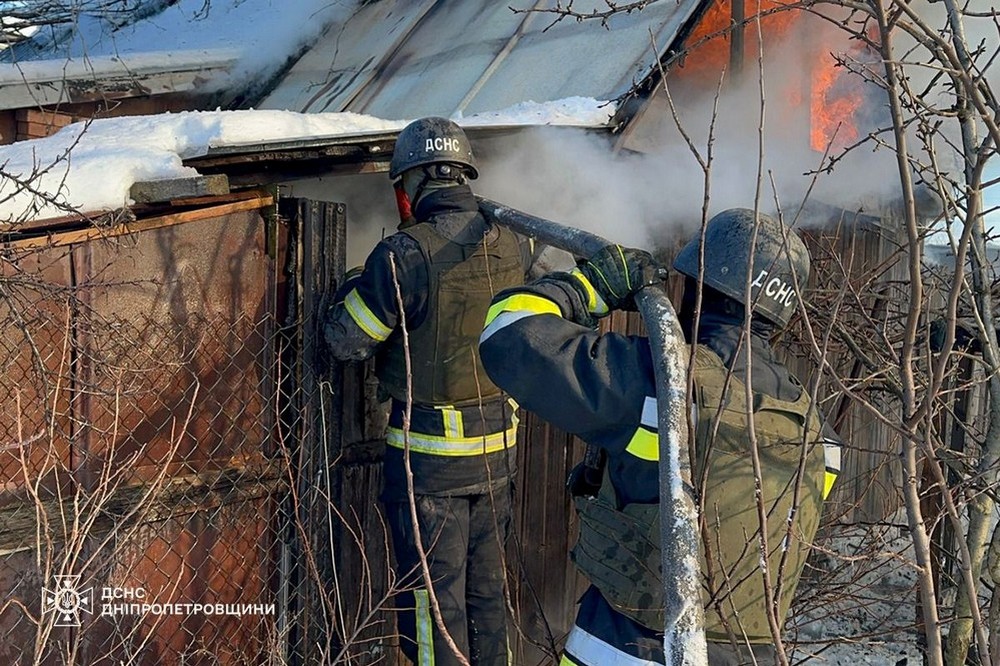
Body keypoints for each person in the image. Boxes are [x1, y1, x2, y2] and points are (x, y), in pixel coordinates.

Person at [478, 208, 842, 665]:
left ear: (697, 289)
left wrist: (590, 288)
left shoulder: (661, 381)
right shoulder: (817, 433)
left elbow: (508, 335)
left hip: (624, 649)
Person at [324, 116, 552, 666]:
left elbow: (346, 341)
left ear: (414, 181)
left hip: (429, 469)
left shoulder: (403, 256)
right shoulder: (515, 245)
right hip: (498, 457)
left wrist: (357, 282)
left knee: (433, 610)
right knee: (487, 598)